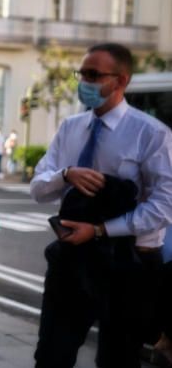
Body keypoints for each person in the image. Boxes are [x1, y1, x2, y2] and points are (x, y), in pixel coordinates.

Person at [30, 43, 172, 368]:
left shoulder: (151, 134)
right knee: (51, 354)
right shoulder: (70, 128)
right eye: (82, 74)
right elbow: (38, 189)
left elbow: (165, 206)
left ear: (121, 81)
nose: (85, 82)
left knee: (118, 358)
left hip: (129, 266)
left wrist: (99, 230)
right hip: (71, 260)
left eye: (94, 75)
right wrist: (66, 175)